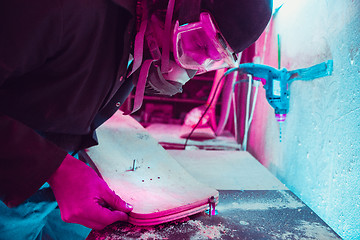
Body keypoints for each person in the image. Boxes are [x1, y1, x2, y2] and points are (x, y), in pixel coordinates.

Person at [0, 0, 272, 238]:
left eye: (211, 60)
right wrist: (55, 169)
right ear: (178, 4)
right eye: (200, 43)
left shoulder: (138, 26)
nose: (193, 63)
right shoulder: (63, 8)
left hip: (60, 171)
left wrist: (62, 168)